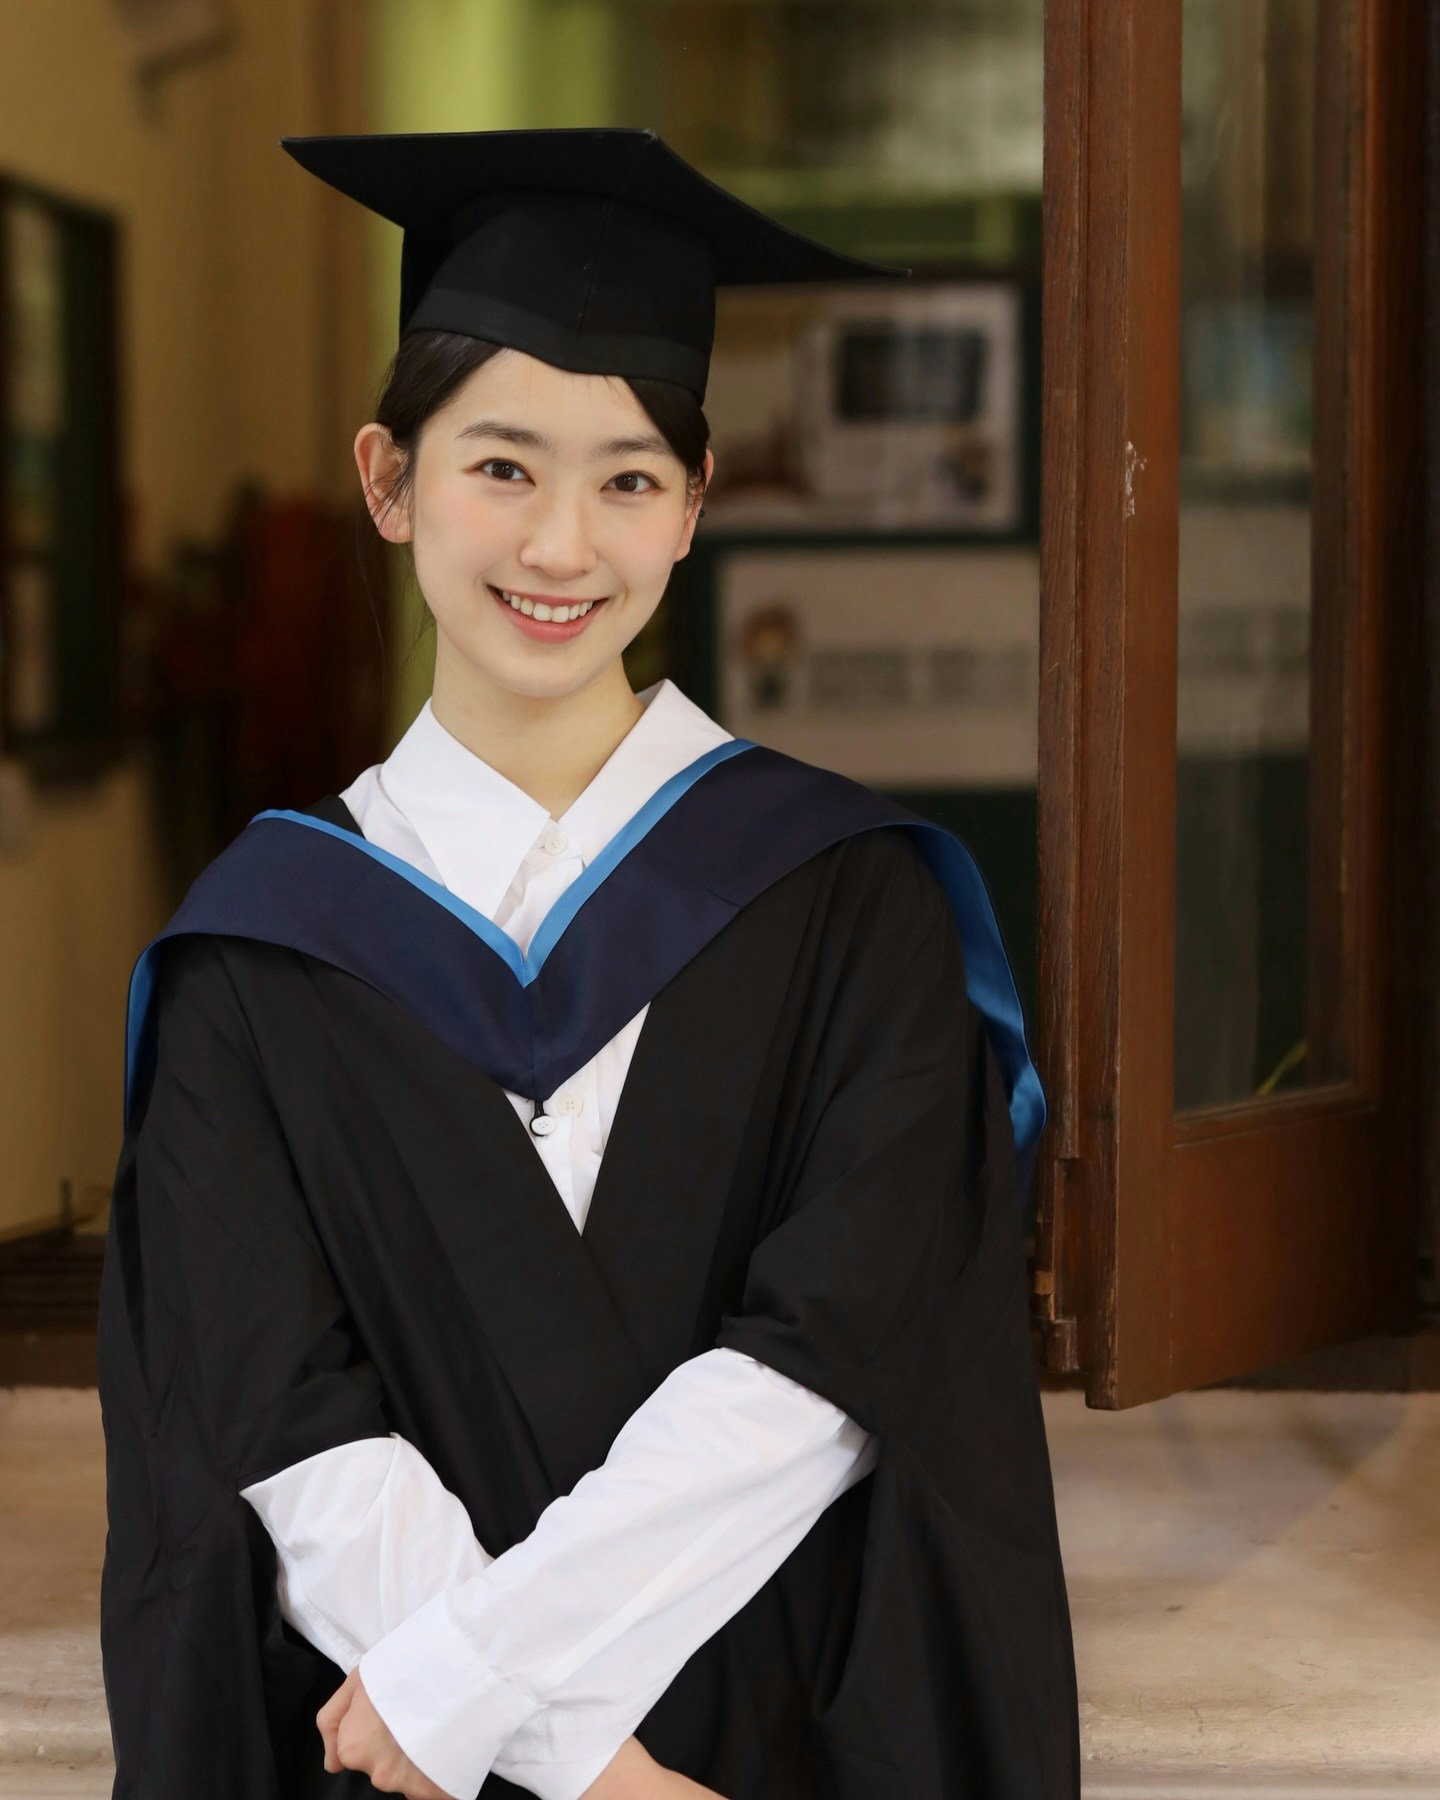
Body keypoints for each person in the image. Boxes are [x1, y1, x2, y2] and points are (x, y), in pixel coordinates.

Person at [96, 128, 1079, 1800]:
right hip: (430, 1754)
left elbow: (837, 1360)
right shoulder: (254, 956)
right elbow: (280, 1416)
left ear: (696, 505)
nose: (561, 546)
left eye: (628, 479)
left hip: (738, 1714)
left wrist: (474, 1682)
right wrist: (604, 1781)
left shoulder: (854, 905)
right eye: (501, 466)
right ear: (388, 481)